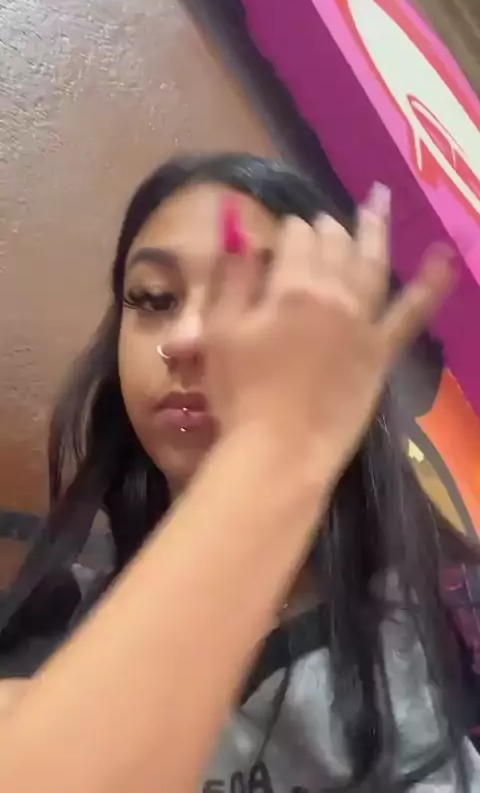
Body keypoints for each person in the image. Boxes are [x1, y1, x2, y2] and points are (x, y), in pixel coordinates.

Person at [0, 152, 478, 793]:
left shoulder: (445, 621)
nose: (185, 338)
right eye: (154, 299)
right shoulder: (67, 614)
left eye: (254, 301)